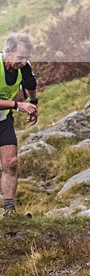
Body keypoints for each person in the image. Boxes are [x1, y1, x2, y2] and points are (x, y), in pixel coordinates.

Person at [0, 33, 38, 217]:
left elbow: (30, 83)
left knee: (11, 162)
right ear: (7, 51)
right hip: (8, 109)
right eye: (20, 58)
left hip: (2, 119)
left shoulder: (24, 67)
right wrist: (18, 105)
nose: (23, 62)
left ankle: (9, 210)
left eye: (27, 58)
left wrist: (33, 103)